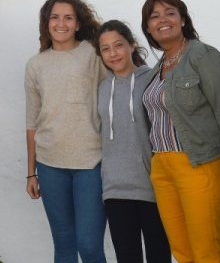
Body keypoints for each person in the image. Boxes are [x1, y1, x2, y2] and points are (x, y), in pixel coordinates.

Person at [139, 0, 220, 263]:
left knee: (207, 251)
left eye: (170, 13)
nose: (163, 20)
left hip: (199, 164)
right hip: (162, 167)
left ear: (182, 19)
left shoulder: (203, 56)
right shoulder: (158, 66)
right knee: (182, 252)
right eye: (154, 16)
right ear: (148, 27)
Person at [24, 0, 107, 263]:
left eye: (68, 18)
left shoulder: (94, 55)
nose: (61, 23)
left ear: (79, 23)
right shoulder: (36, 65)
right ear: (46, 22)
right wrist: (31, 173)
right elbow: (32, 121)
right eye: (55, 17)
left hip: (91, 163)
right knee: (63, 244)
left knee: (89, 245)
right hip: (50, 165)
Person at [94, 20, 171, 263]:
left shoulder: (153, 79)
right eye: (105, 49)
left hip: (153, 188)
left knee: (159, 256)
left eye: (118, 45)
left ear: (132, 45)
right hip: (115, 190)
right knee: (127, 258)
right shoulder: (103, 88)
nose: (113, 53)